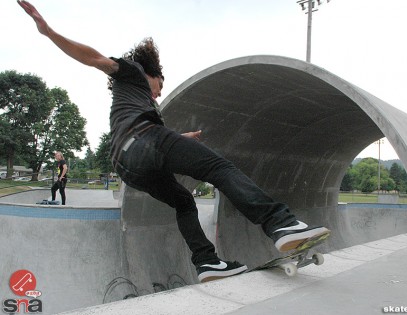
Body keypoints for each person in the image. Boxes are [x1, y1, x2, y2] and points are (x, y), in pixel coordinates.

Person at [18, 0, 329, 282]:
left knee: (183, 201)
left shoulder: (132, 101)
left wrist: (180, 138)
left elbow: (150, 145)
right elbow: (96, 58)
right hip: (145, 140)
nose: (159, 92)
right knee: (218, 168)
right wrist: (49, 32)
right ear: (151, 73)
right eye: (160, 85)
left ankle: (207, 262)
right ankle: (280, 224)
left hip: (128, 165)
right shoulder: (134, 71)